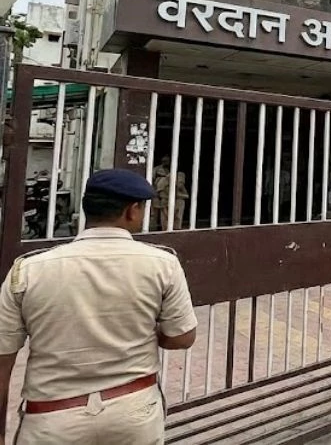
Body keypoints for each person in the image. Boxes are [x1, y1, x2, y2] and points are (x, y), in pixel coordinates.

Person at [0, 168, 197, 443]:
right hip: (134, 410)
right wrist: (151, 332)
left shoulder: (28, 271)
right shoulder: (162, 264)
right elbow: (182, 337)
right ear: (132, 211)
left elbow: (3, 358)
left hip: (51, 417)